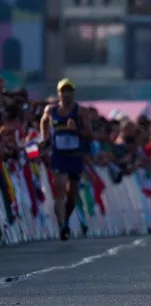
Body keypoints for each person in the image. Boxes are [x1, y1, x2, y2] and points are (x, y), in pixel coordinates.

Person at [40, 78, 92, 241]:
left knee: (72, 194)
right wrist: (44, 137)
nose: (66, 94)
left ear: (74, 93)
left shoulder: (80, 112)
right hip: (59, 155)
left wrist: (77, 130)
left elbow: (90, 134)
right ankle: (62, 225)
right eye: (64, 91)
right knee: (60, 189)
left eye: (69, 91)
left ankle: (67, 219)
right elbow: (43, 121)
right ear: (59, 93)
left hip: (75, 156)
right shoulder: (51, 110)